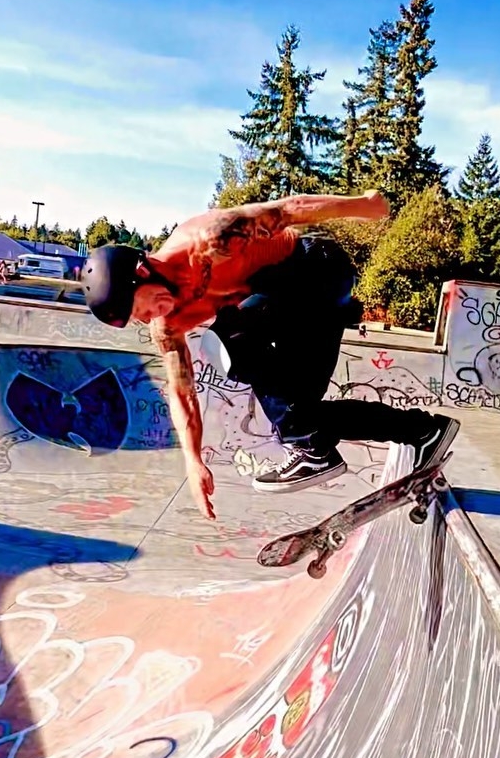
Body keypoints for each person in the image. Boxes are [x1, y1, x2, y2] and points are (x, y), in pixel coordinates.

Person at [82, 191, 459, 520]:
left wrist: (362, 205)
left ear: (143, 272)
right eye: (139, 318)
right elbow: (183, 395)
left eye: (141, 307)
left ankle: (308, 448)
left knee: (230, 342)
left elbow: (289, 209)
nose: (149, 317)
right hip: (302, 310)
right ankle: (423, 431)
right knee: (305, 417)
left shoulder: (207, 240)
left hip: (316, 269)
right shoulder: (166, 326)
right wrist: (193, 461)